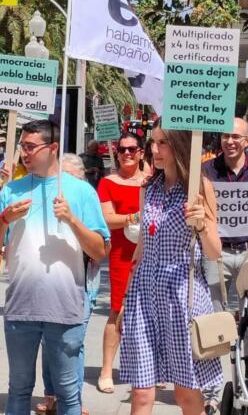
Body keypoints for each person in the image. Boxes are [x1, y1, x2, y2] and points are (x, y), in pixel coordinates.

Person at [0, 120, 110, 415]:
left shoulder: (81, 192)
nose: (23, 153)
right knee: (19, 389)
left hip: (65, 309)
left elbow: (100, 251)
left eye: (29, 146)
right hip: (20, 308)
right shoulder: (11, 191)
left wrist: (72, 220)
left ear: (53, 148)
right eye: (21, 147)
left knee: (67, 391)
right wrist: (3, 221)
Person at [119, 121, 223, 415]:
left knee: (186, 393)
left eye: (162, 143)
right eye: (153, 143)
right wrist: (129, 291)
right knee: (140, 390)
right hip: (145, 290)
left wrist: (202, 225)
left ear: (180, 145)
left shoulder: (200, 188)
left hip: (182, 292)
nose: (154, 150)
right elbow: (142, 244)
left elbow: (215, 252)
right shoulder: (148, 187)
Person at [201, 117, 248, 414]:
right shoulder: (207, 170)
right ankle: (211, 391)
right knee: (212, 322)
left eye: (236, 137)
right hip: (217, 253)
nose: (229, 141)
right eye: (225, 136)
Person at [36, 153, 100, 415]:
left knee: (73, 343)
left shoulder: (86, 199)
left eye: (72, 179)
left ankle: (73, 398)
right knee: (48, 341)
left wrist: (72, 220)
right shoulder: (49, 203)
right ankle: (51, 393)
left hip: (83, 284)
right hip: (51, 284)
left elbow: (98, 245)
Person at [96, 132, 146, 394]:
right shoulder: (107, 183)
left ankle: (150, 369)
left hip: (150, 253)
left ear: (141, 153)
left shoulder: (151, 182)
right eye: (122, 150)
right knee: (117, 310)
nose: (127, 153)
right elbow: (107, 219)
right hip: (121, 254)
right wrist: (135, 217)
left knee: (152, 310)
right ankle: (106, 370)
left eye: (132, 149)